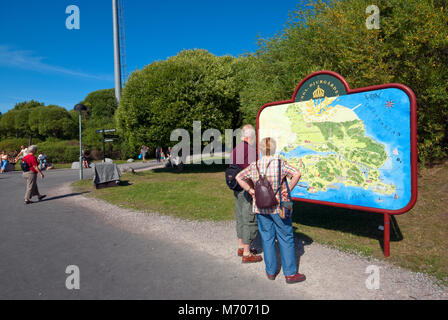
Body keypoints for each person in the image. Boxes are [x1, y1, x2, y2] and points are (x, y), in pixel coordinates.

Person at [236, 137, 306, 284]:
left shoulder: (254, 165)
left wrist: (251, 190)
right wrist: (289, 190)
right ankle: (290, 273)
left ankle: (270, 271)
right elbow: (297, 174)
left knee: (267, 239)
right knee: (285, 238)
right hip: (279, 207)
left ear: (261, 150)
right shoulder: (280, 164)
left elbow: (238, 177)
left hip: (261, 208)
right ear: (274, 149)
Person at [229, 124, 261, 263]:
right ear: (251, 136)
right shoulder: (250, 150)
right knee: (249, 218)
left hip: (236, 188)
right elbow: (253, 173)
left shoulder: (236, 149)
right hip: (246, 188)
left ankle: (241, 246)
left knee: (241, 216)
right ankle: (247, 254)